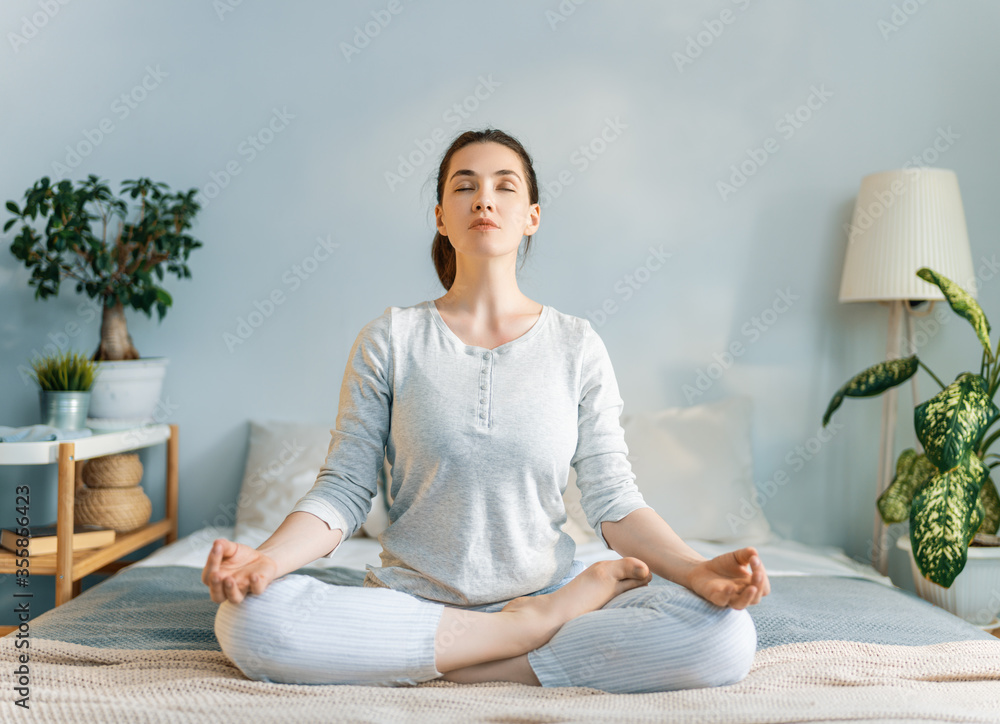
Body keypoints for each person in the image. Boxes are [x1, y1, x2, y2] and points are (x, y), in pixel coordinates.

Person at [207, 128, 769, 694]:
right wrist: (267, 561)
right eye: (464, 186)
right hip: (415, 606)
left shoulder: (577, 345)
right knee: (248, 619)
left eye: (504, 186)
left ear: (531, 216)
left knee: (725, 635)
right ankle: (526, 636)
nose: (483, 199)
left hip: (545, 590)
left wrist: (696, 569)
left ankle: (479, 647)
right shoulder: (390, 339)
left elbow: (614, 499)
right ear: (440, 216)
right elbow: (344, 489)